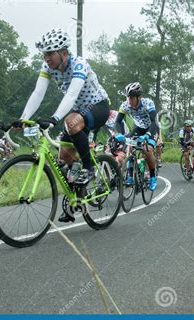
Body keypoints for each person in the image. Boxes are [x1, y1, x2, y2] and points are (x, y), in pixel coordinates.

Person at [14, 28, 110, 222]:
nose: (47, 58)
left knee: (70, 121)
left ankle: (90, 168)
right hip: (76, 110)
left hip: (98, 106)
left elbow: (72, 94)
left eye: (50, 53)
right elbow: (38, 93)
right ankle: (76, 200)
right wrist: (24, 117)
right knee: (65, 156)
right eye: (45, 54)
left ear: (64, 53)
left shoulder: (79, 65)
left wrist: (55, 118)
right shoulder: (47, 67)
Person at [115, 82, 159, 191]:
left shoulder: (148, 103)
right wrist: (119, 133)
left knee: (147, 150)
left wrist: (148, 135)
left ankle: (153, 177)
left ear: (139, 97)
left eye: (132, 97)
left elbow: (154, 121)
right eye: (128, 97)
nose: (129, 100)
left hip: (152, 128)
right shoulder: (125, 105)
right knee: (129, 145)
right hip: (138, 128)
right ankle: (130, 176)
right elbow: (118, 121)